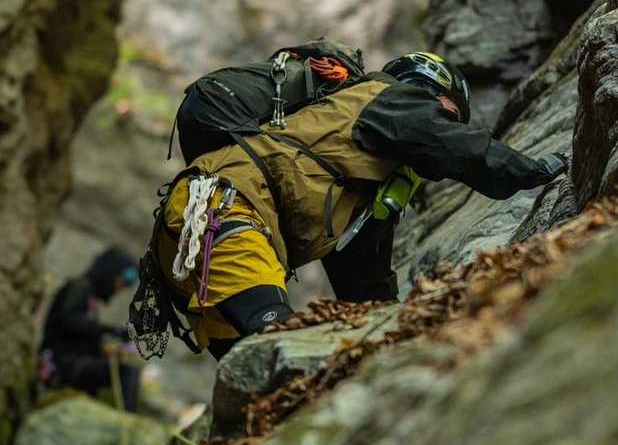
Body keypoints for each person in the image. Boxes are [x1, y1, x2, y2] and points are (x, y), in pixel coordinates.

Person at [130, 51, 567, 361]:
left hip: (195, 235)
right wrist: (534, 170)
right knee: (284, 352)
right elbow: (459, 146)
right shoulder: (388, 96)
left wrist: (391, 333)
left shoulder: (358, 177)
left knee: (260, 383)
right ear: (429, 90)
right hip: (225, 215)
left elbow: (365, 284)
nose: (446, 122)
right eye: (450, 112)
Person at [39, 246, 141, 410]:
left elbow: (84, 335)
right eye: (122, 280)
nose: (120, 288)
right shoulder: (79, 287)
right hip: (59, 367)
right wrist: (110, 331)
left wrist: (110, 346)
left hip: (70, 364)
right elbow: (70, 321)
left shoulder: (89, 297)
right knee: (127, 372)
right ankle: (128, 418)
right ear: (110, 272)